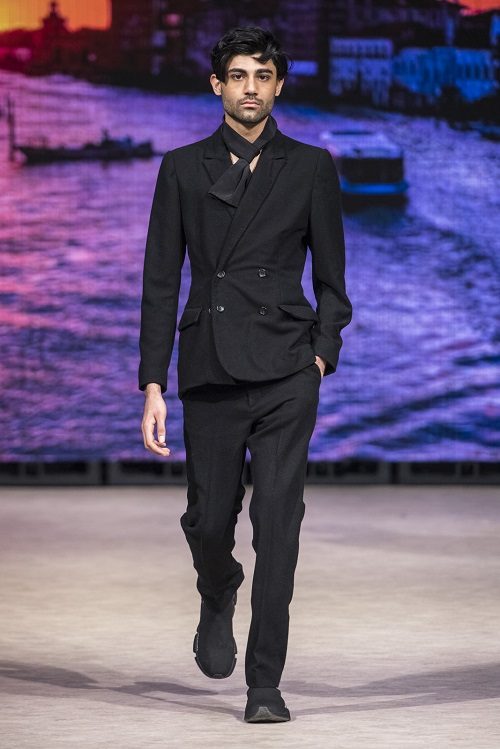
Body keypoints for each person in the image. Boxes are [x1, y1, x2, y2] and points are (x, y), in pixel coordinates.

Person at [138, 26, 352, 723]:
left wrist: (321, 353)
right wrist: (152, 383)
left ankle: (265, 683)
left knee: (278, 525)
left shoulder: (311, 167)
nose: (250, 87)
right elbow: (160, 281)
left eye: (263, 74)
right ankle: (218, 586)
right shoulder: (181, 168)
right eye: (238, 75)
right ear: (217, 85)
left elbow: (333, 280)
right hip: (210, 366)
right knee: (208, 519)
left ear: (279, 85)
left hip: (288, 367)